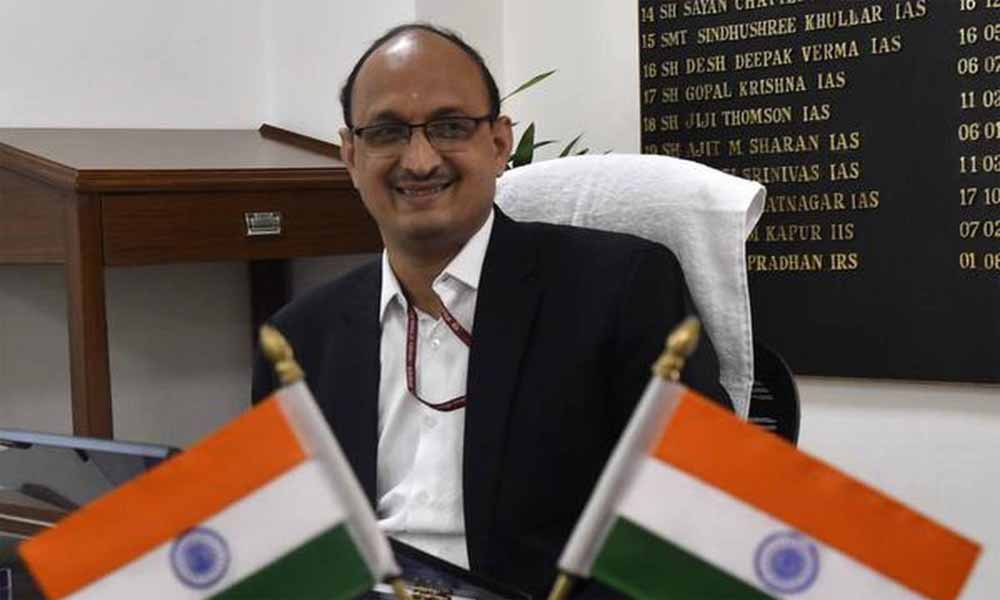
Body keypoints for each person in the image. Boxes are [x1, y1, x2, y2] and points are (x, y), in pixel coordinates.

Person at [252, 22, 732, 598]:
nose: (420, 160)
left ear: (499, 144)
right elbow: (286, 549)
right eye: (387, 132)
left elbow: (694, 522)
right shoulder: (300, 339)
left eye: (450, 127)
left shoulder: (618, 290)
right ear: (351, 156)